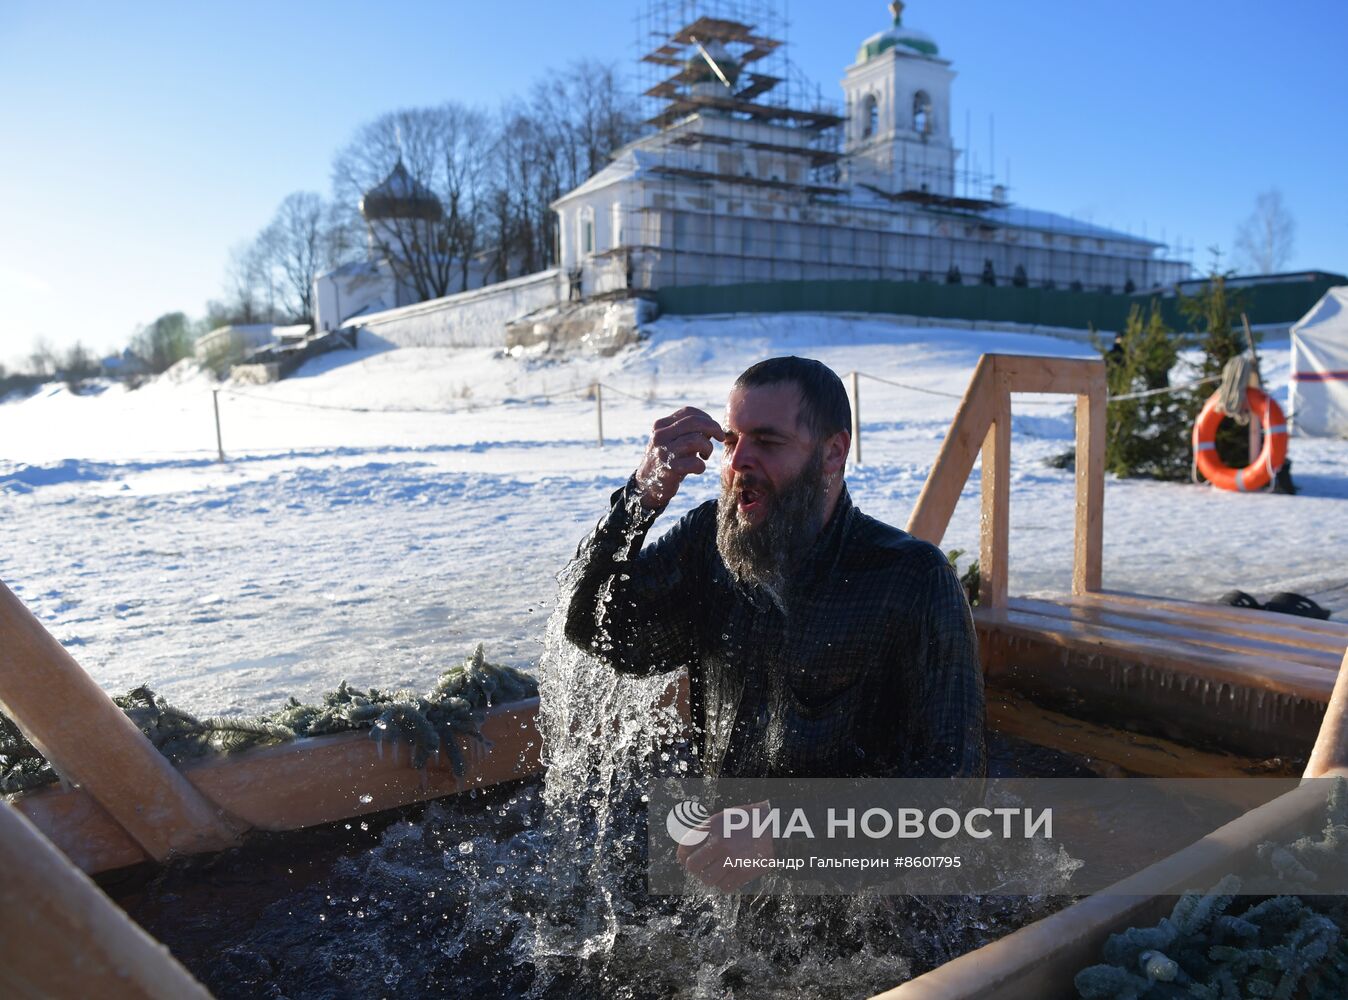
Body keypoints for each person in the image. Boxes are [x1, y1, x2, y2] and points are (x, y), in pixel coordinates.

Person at [562, 356, 985, 888]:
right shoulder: (708, 546)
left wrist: (787, 834)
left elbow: (954, 783)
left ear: (833, 452)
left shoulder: (909, 579)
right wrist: (641, 497)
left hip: (861, 909)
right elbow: (595, 627)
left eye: (767, 441)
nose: (740, 460)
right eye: (732, 440)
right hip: (728, 886)